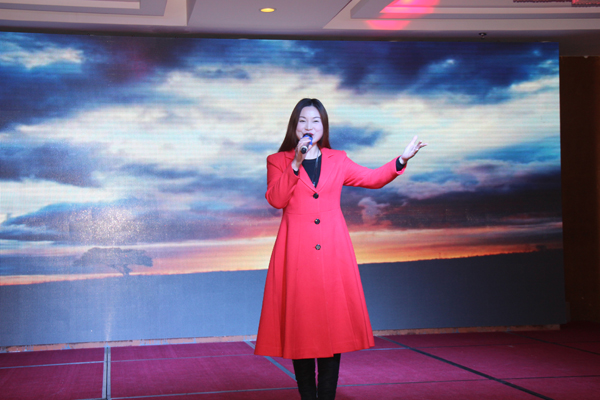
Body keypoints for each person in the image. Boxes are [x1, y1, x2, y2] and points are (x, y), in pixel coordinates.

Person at [254, 98, 426, 399]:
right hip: (295, 253)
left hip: (333, 251)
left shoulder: (338, 159)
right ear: (295, 126)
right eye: (303, 121)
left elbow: (372, 178)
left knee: (331, 327)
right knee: (301, 329)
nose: (309, 126)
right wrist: (296, 163)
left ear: (324, 126)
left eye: (315, 121)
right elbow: (276, 199)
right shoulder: (278, 160)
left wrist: (401, 160)